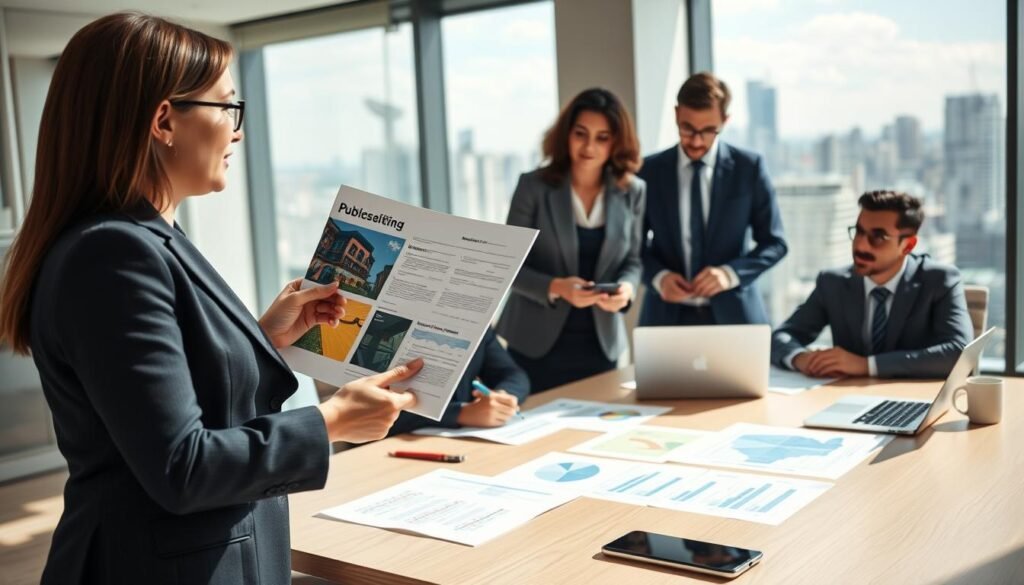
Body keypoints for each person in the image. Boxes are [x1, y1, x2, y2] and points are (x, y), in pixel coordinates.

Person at [0, 13, 422, 584]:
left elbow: (171, 396)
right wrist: (329, 422)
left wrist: (264, 337)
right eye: (227, 107)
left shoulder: (141, 239)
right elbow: (183, 466)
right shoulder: (112, 256)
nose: (237, 129)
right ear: (164, 121)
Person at [496, 88, 645, 393]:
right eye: (581, 134)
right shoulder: (533, 187)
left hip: (600, 343)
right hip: (535, 341)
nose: (589, 146)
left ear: (616, 142)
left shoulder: (633, 191)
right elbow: (509, 265)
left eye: (602, 137)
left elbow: (633, 259)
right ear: (567, 134)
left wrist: (627, 289)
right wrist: (558, 288)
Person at [771, 191, 974, 379]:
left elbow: (959, 352)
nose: (860, 245)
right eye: (859, 232)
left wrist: (866, 365)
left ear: (908, 245)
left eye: (878, 237)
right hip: (844, 399)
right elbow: (781, 337)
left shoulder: (939, 281)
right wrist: (799, 358)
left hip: (913, 401)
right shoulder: (833, 283)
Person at [639, 72, 787, 326]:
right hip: (665, 317)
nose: (696, 141)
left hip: (736, 317)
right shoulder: (648, 171)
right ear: (676, 115)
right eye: (687, 129)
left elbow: (775, 243)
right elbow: (630, 246)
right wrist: (658, 277)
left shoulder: (749, 168)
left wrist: (730, 274)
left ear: (725, 121)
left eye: (708, 131)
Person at [387, 327, 529, 435]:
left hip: (462, 436)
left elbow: (512, 374)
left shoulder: (478, 323)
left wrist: (501, 397)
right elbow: (370, 404)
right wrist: (459, 413)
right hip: (393, 441)